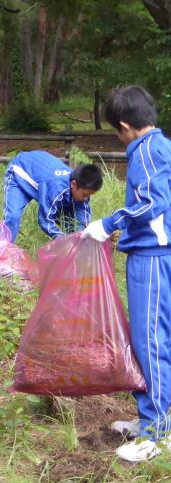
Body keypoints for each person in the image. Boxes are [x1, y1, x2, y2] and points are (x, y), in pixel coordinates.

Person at [83, 85, 171, 462]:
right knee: (157, 338)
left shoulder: (148, 150)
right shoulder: (161, 146)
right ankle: (155, 417)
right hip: (156, 255)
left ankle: (157, 433)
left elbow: (153, 202)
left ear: (124, 126)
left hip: (152, 258)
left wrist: (109, 222)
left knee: (149, 341)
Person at [2, 150, 103, 242]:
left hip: (42, 180)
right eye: (85, 194)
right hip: (19, 173)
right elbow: (45, 220)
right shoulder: (56, 188)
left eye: (89, 195)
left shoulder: (82, 190)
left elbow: (81, 222)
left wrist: (84, 236)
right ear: (73, 184)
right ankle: (2, 253)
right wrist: (62, 240)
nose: (86, 198)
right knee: (13, 217)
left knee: (71, 224)